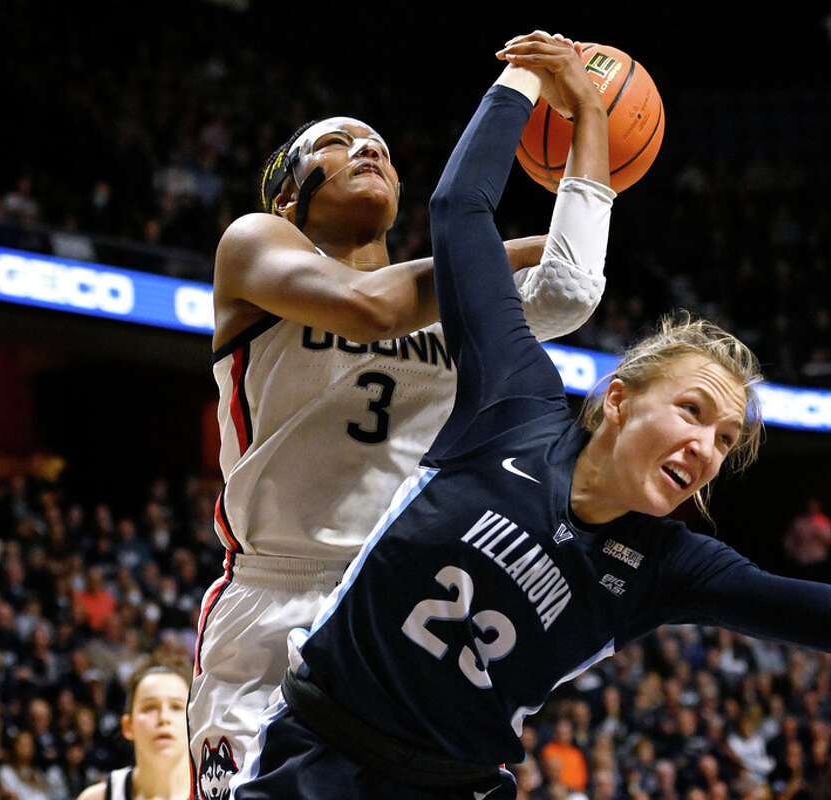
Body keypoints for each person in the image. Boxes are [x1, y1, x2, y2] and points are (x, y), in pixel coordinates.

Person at [232, 32, 831, 800]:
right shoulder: (514, 404)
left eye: (725, 441)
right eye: (695, 412)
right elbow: (458, 207)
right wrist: (525, 79)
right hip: (317, 746)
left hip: (454, 785)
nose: (707, 447)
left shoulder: (669, 565)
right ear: (617, 398)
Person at [189, 30, 615, 800]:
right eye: (339, 143)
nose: (367, 149)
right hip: (275, 589)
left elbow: (571, 292)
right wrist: (487, 247)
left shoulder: (445, 300)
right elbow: (370, 306)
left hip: (395, 601)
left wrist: (591, 121)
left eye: (380, 145)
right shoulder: (254, 245)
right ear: (289, 194)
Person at [75, 662, 191, 800]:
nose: (164, 718)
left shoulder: (217, 792)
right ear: (127, 726)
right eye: (150, 707)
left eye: (176, 707)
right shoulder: (95, 798)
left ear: (194, 722)